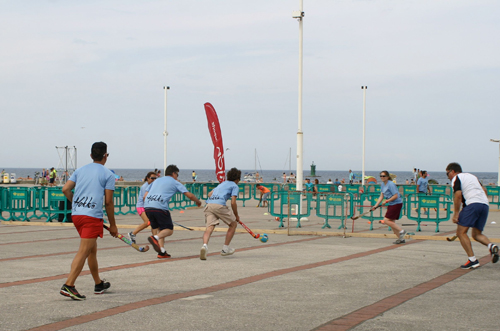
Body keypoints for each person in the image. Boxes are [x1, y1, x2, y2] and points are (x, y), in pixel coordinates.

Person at [60, 142, 118, 301]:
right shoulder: (108, 175)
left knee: (91, 250)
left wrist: (76, 204)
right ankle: (69, 285)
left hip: (77, 215)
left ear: (91, 155)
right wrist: (113, 225)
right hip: (91, 217)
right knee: (84, 251)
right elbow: (108, 202)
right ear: (106, 156)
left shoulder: (80, 170)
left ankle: (98, 283)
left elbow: (65, 189)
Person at [446, 162, 499, 269]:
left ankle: (472, 260)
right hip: (484, 205)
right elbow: (484, 190)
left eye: (447, 174)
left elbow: (457, 195)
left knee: (461, 232)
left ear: (452, 171)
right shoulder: (472, 176)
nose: (447, 177)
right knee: (476, 234)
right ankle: (492, 246)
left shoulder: (456, 178)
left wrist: (456, 213)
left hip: (472, 204)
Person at [144, 165, 202, 258]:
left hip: (147, 206)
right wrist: (198, 201)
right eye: (177, 175)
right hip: (160, 207)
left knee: (160, 229)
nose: (177, 177)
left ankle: (162, 251)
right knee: (169, 230)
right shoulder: (175, 182)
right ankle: (155, 238)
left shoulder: (156, 180)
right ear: (174, 173)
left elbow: (144, 196)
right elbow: (189, 195)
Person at [200, 168, 241, 260]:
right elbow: (233, 202)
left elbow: (210, 194)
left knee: (209, 228)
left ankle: (205, 245)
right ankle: (225, 248)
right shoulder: (234, 186)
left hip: (209, 205)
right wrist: (236, 216)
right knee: (233, 224)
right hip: (219, 205)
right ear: (237, 179)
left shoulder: (222, 184)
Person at [371, 171, 406, 244]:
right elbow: (381, 196)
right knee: (392, 223)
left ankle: (401, 231)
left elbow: (396, 196)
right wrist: (375, 205)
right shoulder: (383, 185)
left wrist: (387, 201)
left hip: (396, 203)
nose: (382, 177)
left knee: (386, 220)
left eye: (384, 176)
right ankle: (400, 239)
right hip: (391, 204)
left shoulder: (391, 184)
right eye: (381, 176)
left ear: (387, 177)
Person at [128, 172, 157, 244]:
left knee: (154, 223)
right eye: (152, 178)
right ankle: (133, 233)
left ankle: (155, 237)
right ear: (147, 178)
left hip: (148, 207)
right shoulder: (145, 187)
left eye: (155, 178)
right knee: (147, 222)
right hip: (141, 206)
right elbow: (145, 198)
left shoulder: (153, 186)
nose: (153, 180)